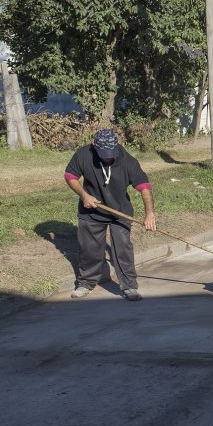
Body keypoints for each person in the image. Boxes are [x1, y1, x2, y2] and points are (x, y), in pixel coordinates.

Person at [64, 128, 156, 301]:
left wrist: (149, 214)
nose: (109, 157)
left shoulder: (128, 161)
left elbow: (144, 187)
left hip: (120, 211)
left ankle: (129, 286)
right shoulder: (83, 155)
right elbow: (70, 175)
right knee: (89, 249)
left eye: (111, 153)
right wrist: (84, 195)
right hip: (90, 210)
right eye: (104, 154)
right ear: (94, 146)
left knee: (123, 249)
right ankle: (85, 283)